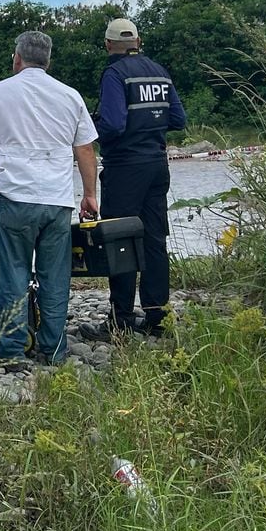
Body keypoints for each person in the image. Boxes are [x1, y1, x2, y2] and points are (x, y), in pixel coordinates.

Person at [0, 31, 99, 369]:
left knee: (13, 275)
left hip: (15, 196)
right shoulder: (70, 96)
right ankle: (53, 349)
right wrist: (90, 195)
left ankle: (10, 348)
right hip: (57, 200)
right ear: (48, 61)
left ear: (16, 58)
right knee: (55, 277)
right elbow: (84, 149)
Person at [81, 18, 186, 340]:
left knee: (121, 242)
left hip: (125, 167)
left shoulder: (115, 73)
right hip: (157, 164)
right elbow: (178, 119)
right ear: (138, 41)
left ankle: (121, 319)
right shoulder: (159, 71)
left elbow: (112, 124)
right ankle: (158, 317)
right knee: (155, 240)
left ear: (108, 45)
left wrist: (88, 127)